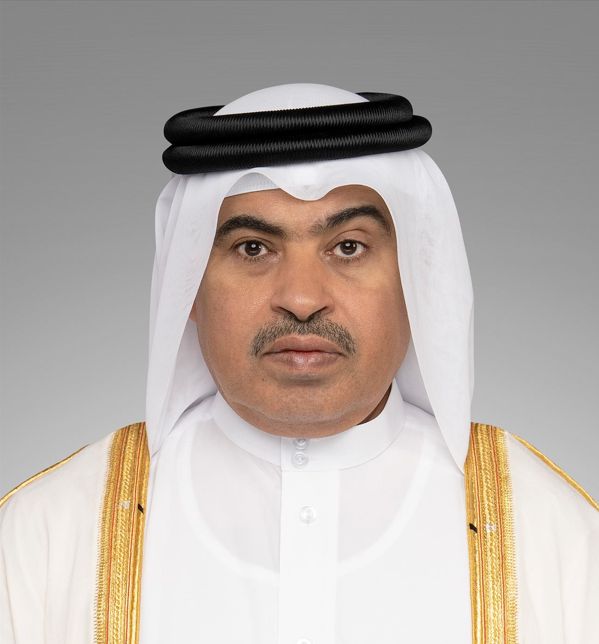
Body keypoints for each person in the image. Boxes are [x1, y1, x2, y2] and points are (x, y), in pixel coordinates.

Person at [1, 83, 597, 644]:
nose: (303, 298)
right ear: (189, 286)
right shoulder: (46, 532)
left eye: (348, 247)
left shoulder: (551, 532)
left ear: (417, 280)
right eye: (253, 248)